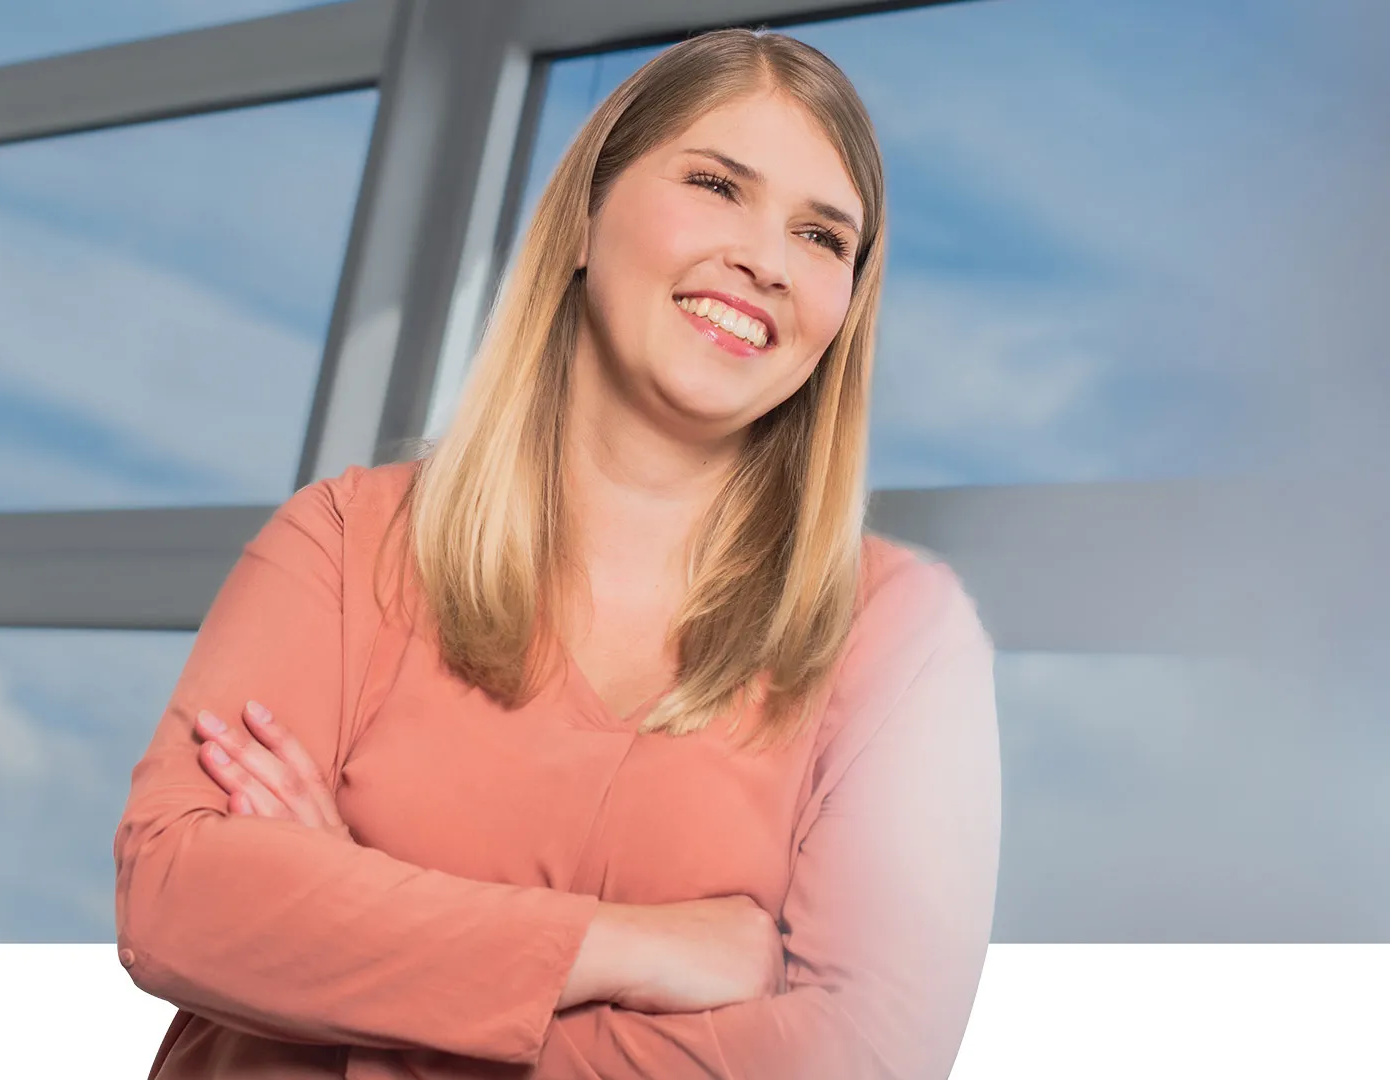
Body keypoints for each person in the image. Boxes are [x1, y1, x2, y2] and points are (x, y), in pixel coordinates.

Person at [113, 28, 1000, 1080]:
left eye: (822, 237)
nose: (765, 259)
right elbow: (178, 900)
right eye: (717, 185)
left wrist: (351, 943)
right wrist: (632, 948)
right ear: (586, 213)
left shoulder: (903, 640)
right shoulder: (347, 541)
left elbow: (862, 1060)